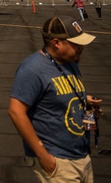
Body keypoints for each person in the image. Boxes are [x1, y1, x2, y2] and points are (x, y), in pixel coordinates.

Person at [8, 17, 100, 182]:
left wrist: (86, 102)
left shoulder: (70, 62)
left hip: (81, 155)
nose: (82, 47)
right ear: (57, 43)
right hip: (59, 160)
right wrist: (43, 155)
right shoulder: (32, 69)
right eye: (76, 44)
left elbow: (59, 92)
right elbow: (16, 111)